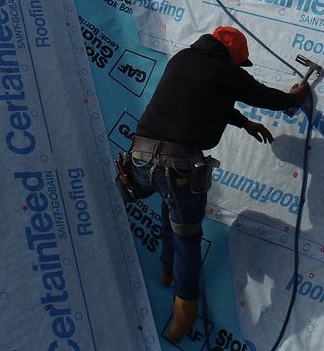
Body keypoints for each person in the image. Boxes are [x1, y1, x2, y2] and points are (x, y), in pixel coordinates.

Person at [129, 26, 310, 344]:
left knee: (169, 209)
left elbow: (208, 100)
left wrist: (244, 122)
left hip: (141, 160)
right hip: (176, 167)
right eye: (239, 63)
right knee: (187, 237)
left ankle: (167, 270)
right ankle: (184, 311)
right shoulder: (228, 72)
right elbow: (268, 97)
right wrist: (296, 95)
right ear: (233, 56)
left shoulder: (182, 58)